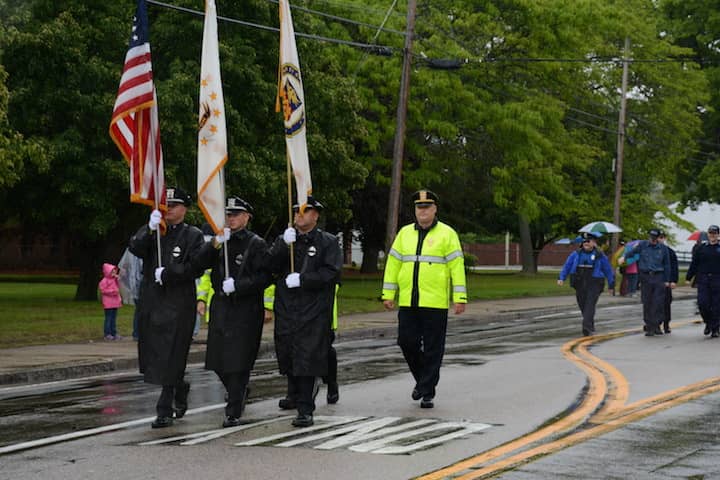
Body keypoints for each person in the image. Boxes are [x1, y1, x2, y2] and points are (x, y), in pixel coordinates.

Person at [381, 189, 467, 409]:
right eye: (419, 208)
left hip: (435, 302)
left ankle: (426, 389)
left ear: (435, 209)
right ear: (415, 211)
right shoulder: (404, 233)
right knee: (406, 341)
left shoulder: (447, 234)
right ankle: (424, 381)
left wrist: (459, 297)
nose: (423, 212)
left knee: (432, 348)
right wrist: (388, 294)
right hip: (409, 301)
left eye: (427, 207)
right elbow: (393, 265)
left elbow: (457, 267)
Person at [128, 187, 205, 428]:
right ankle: (179, 386)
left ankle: (164, 408)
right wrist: (148, 229)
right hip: (153, 302)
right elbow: (135, 248)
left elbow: (196, 267)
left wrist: (170, 273)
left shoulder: (193, 235)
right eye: (165, 206)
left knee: (173, 353)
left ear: (184, 209)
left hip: (179, 303)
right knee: (155, 353)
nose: (168, 210)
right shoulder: (155, 233)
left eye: (173, 206)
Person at [267, 196, 343, 428]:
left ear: (315, 215)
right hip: (287, 308)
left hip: (314, 310)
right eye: (296, 211)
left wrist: (303, 279)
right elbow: (268, 266)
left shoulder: (327, 242)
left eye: (305, 211)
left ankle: (305, 409)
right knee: (288, 355)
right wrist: (282, 245)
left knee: (307, 358)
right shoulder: (286, 240)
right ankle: (296, 395)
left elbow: (332, 273)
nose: (299, 215)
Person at [196, 197, 270, 427]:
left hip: (245, 308)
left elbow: (265, 276)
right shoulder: (220, 241)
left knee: (238, 361)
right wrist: (215, 243)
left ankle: (233, 411)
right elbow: (199, 264)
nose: (232, 218)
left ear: (247, 217)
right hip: (221, 307)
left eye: (236, 214)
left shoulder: (255, 244)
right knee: (218, 360)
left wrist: (240, 285)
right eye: (228, 214)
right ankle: (239, 391)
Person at [557, 232, 615, 336]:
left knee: (590, 304)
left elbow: (608, 270)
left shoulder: (600, 255)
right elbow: (567, 266)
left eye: (588, 241)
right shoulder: (576, 254)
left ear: (594, 243)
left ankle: (586, 327)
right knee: (582, 304)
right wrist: (561, 278)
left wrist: (611, 284)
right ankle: (590, 323)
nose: (586, 243)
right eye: (584, 242)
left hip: (594, 282)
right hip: (580, 282)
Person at [621, 228, 671, 336]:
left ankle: (656, 324)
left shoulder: (663, 248)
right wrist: (624, 257)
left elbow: (667, 264)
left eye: (654, 238)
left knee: (657, 302)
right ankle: (649, 326)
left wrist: (667, 280)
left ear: (658, 238)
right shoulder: (642, 245)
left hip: (658, 276)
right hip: (645, 276)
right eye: (650, 237)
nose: (652, 240)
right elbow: (632, 252)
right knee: (647, 301)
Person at [685, 224, 720, 338]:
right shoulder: (701, 248)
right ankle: (708, 323)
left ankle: (715, 328)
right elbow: (694, 263)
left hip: (717, 279)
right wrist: (688, 277)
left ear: (718, 235)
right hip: (703, 279)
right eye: (710, 233)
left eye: (714, 233)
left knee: (716, 306)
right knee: (702, 303)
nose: (712, 235)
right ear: (708, 235)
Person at [117, 248, 143, 340]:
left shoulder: (133, 252)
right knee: (141, 311)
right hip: (139, 287)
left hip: (136, 286)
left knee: (139, 311)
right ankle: (138, 333)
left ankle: (137, 333)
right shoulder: (139, 254)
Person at [657, 231, 678, 334]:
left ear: (664, 238)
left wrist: (673, 280)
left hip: (666, 281)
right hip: (654, 280)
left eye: (661, 237)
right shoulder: (651, 250)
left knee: (666, 303)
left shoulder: (670, 252)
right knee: (653, 303)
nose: (659, 239)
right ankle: (654, 323)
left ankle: (666, 324)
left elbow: (674, 267)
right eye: (658, 237)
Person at [98, 263, 122, 341]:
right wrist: (113, 291)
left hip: (115, 302)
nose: (114, 274)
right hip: (108, 303)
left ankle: (114, 333)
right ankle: (107, 333)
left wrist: (118, 280)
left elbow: (119, 287)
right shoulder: (104, 281)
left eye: (115, 272)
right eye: (112, 272)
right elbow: (103, 290)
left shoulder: (114, 280)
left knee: (114, 318)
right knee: (108, 318)